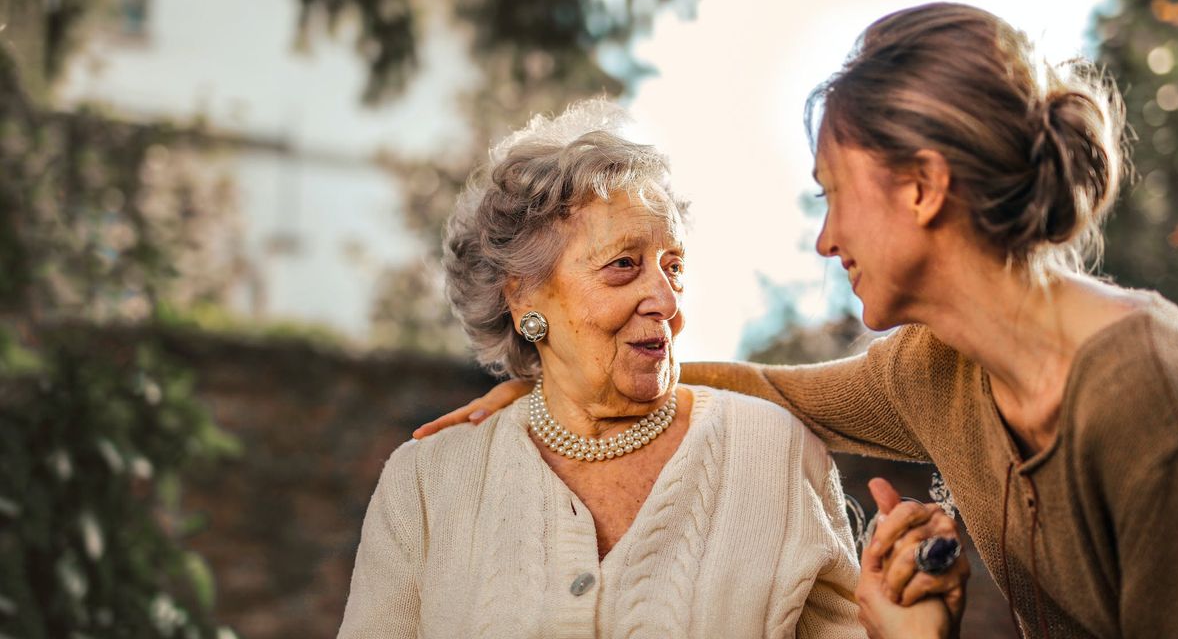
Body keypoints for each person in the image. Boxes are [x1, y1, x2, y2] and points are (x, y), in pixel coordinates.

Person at [416, 4, 1178, 638]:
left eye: (834, 196)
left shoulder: (1154, 407)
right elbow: (765, 389)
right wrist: (559, 388)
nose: (826, 240)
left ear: (922, 186)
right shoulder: (937, 370)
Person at [339, 100, 969, 638]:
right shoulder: (427, 483)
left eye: (673, 266)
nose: (667, 302)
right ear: (524, 296)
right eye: (623, 265)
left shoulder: (772, 452)